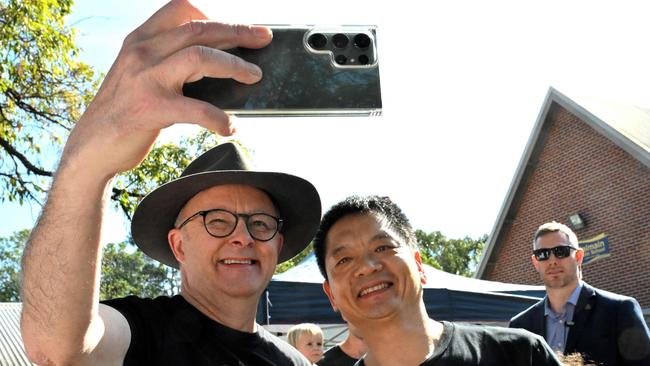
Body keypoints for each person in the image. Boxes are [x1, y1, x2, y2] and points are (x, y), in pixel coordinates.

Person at [19, 1, 321, 365]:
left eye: (261, 224)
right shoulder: (142, 330)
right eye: (218, 220)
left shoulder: (296, 362)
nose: (243, 237)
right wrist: (85, 166)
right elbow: (56, 350)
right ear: (178, 245)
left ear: (278, 243)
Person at [312, 195, 562, 365]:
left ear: (419, 266)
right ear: (331, 295)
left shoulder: (518, 354)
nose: (366, 267)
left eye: (383, 248)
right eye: (344, 260)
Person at [509, 221, 650, 365]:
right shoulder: (520, 326)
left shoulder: (619, 310)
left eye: (561, 251)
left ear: (578, 257)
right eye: (543, 254)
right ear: (536, 262)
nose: (552, 261)